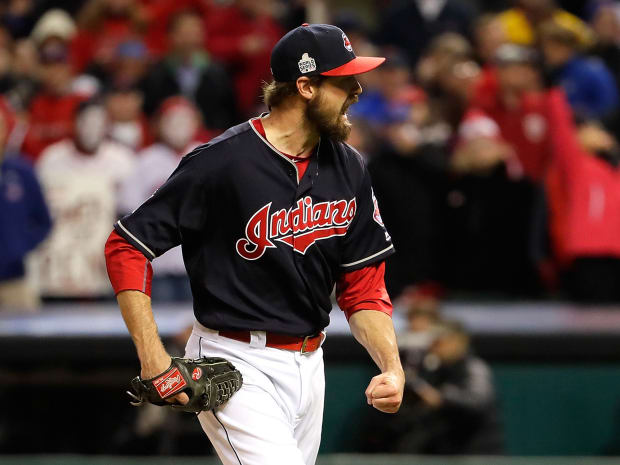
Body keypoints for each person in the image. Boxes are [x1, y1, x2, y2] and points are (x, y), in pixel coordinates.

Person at [105, 23, 404, 465]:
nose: (357, 90)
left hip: (310, 363)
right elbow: (126, 246)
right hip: (236, 360)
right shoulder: (222, 163)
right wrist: (152, 357)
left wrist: (391, 367)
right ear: (304, 86)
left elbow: (363, 289)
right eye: (343, 81)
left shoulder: (349, 167)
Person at [35, 99, 135, 298]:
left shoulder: (123, 160)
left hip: (102, 261)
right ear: (74, 123)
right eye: (86, 122)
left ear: (107, 125)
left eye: (98, 122)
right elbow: (38, 213)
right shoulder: (52, 159)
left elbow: (132, 214)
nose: (92, 129)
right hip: (59, 260)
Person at [0, 102, 51, 310]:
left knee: (22, 341)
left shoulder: (22, 172)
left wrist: (18, 247)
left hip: (15, 280)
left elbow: (44, 221)